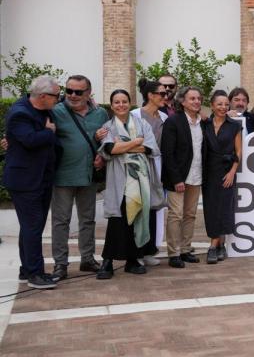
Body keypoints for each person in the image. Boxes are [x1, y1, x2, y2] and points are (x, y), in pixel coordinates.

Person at [49, 74, 108, 280]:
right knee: (60, 221)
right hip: (62, 175)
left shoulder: (100, 113)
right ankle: (60, 264)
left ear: (88, 93)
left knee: (87, 220)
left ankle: (87, 259)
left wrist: (102, 155)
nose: (72, 95)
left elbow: (108, 139)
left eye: (78, 92)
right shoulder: (55, 111)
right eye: (69, 91)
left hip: (88, 175)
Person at [97, 89, 161, 279]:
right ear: (111, 105)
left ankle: (133, 260)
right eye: (116, 102)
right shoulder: (108, 126)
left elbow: (151, 148)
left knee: (139, 217)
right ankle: (107, 261)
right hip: (120, 180)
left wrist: (123, 146)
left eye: (124, 101)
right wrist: (136, 142)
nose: (121, 105)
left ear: (130, 103)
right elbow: (109, 149)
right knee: (118, 220)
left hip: (141, 180)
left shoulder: (142, 124)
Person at [4, 76, 61, 289]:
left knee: (30, 227)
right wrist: (48, 132)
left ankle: (26, 269)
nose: (60, 99)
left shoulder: (44, 109)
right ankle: (35, 274)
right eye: (57, 96)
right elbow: (30, 140)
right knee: (33, 227)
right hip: (25, 180)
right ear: (43, 96)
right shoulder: (20, 113)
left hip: (42, 177)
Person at [161, 86, 204, 268]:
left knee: (190, 215)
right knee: (175, 215)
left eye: (198, 98)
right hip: (178, 177)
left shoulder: (203, 122)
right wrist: (177, 179)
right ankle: (174, 253)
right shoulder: (174, 121)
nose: (196, 101)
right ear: (182, 101)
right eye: (192, 98)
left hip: (197, 175)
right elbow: (168, 153)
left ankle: (186, 249)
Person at [202, 90, 242, 264]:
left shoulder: (234, 126)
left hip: (227, 171)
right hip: (209, 171)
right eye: (219, 104)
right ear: (212, 105)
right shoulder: (204, 125)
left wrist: (233, 171)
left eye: (226, 104)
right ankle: (220, 245)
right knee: (211, 209)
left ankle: (213, 246)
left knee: (224, 208)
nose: (223, 107)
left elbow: (239, 151)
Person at [133, 79, 169, 267]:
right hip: (137, 168)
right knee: (138, 209)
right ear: (150, 96)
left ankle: (149, 250)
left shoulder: (164, 118)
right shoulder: (134, 115)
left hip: (157, 168)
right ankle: (136, 252)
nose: (166, 97)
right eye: (162, 93)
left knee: (154, 208)